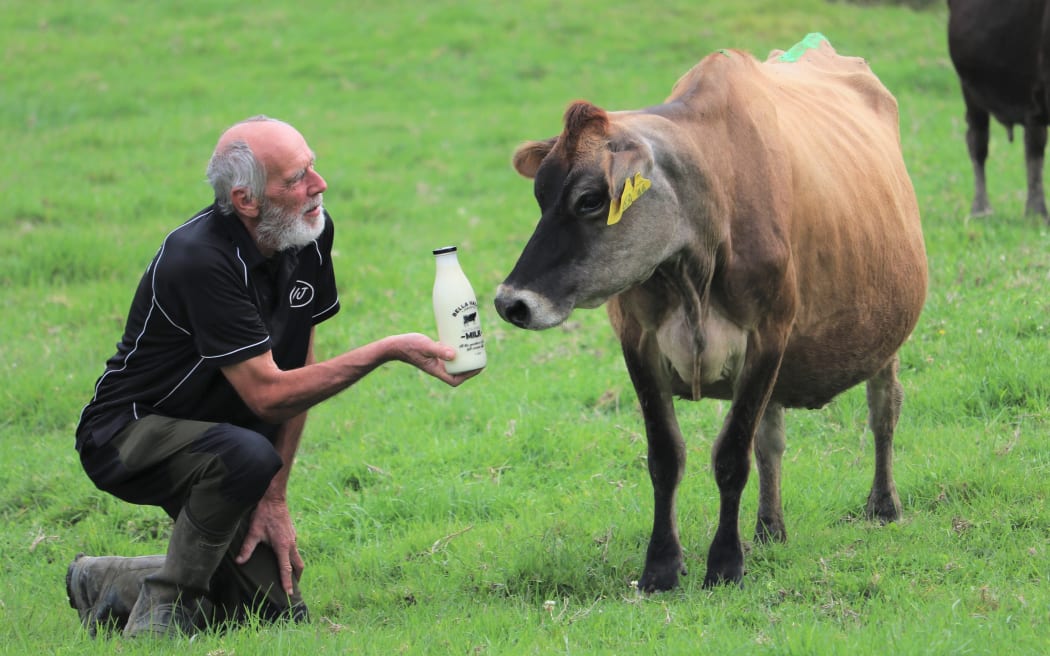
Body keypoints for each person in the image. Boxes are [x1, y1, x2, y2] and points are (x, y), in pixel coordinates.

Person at [66, 115, 479, 638]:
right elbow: (267, 395)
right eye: (296, 177)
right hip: (130, 433)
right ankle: (161, 618)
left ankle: (105, 579)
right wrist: (386, 350)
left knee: (272, 613)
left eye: (313, 166)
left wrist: (274, 497)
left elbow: (296, 366)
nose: (319, 185)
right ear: (246, 200)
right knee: (245, 456)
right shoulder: (200, 259)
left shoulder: (308, 230)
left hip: (228, 445)